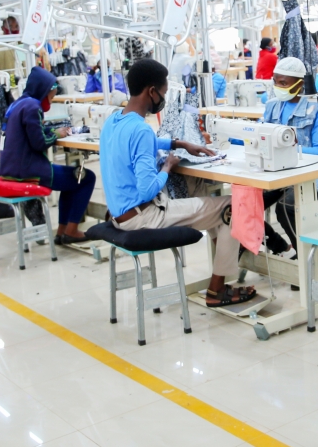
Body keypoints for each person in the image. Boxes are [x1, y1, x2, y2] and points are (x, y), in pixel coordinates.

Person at [100, 58, 255, 307]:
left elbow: (140, 143)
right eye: (162, 93)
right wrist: (167, 167)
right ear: (152, 92)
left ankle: (225, 266)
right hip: (144, 217)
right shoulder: (141, 130)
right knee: (233, 207)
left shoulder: (114, 121)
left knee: (212, 207)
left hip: (120, 215)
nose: (162, 99)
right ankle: (217, 290)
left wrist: (179, 143)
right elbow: (147, 188)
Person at [0, 67, 98, 244]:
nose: (51, 101)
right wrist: (57, 134)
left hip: (11, 169)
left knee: (73, 181)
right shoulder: (32, 107)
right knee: (86, 177)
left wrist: (52, 130)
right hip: (28, 171)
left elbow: (32, 131)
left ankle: (63, 230)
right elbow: (39, 142)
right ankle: (71, 229)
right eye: (51, 96)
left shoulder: (19, 104)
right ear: (43, 91)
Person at [259, 57, 318, 260]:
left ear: (300, 84)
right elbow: (258, 134)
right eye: (275, 81)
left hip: (313, 175)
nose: (277, 86)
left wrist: (286, 150)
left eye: (283, 82)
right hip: (279, 172)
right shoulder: (273, 106)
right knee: (241, 205)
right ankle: (283, 248)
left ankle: (305, 263)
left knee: (286, 207)